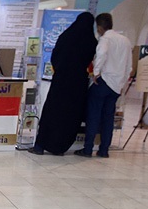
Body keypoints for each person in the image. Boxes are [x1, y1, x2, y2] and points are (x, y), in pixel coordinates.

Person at [29, 12, 97, 156]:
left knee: (52, 112)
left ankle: (40, 145)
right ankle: (59, 147)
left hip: (61, 81)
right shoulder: (91, 42)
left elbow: (55, 56)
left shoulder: (66, 36)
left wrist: (60, 69)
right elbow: (90, 62)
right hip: (78, 84)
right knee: (70, 116)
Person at [74, 12, 132, 158]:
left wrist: (96, 73)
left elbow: (101, 55)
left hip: (103, 81)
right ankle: (104, 149)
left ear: (99, 27)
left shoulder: (105, 40)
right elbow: (129, 66)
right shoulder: (125, 41)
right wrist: (122, 82)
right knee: (108, 118)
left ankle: (88, 149)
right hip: (117, 85)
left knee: (93, 116)